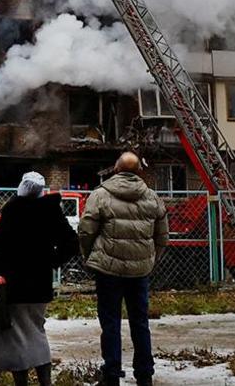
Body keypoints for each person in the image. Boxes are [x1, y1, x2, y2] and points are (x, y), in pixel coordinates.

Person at [78, 152, 169, 386]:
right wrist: (150, 260)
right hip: (140, 272)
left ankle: (111, 374)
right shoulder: (152, 197)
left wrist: (91, 257)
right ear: (139, 171)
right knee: (140, 322)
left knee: (110, 323)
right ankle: (145, 374)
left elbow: (86, 230)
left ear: (116, 170)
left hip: (108, 271)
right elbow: (162, 236)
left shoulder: (100, 195)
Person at [0, 171, 78, 386]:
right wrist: (52, 260)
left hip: (12, 284)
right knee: (37, 329)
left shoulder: (12, 211)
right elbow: (72, 242)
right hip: (40, 283)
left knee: (16, 335)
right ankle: (45, 380)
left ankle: (22, 382)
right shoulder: (51, 211)